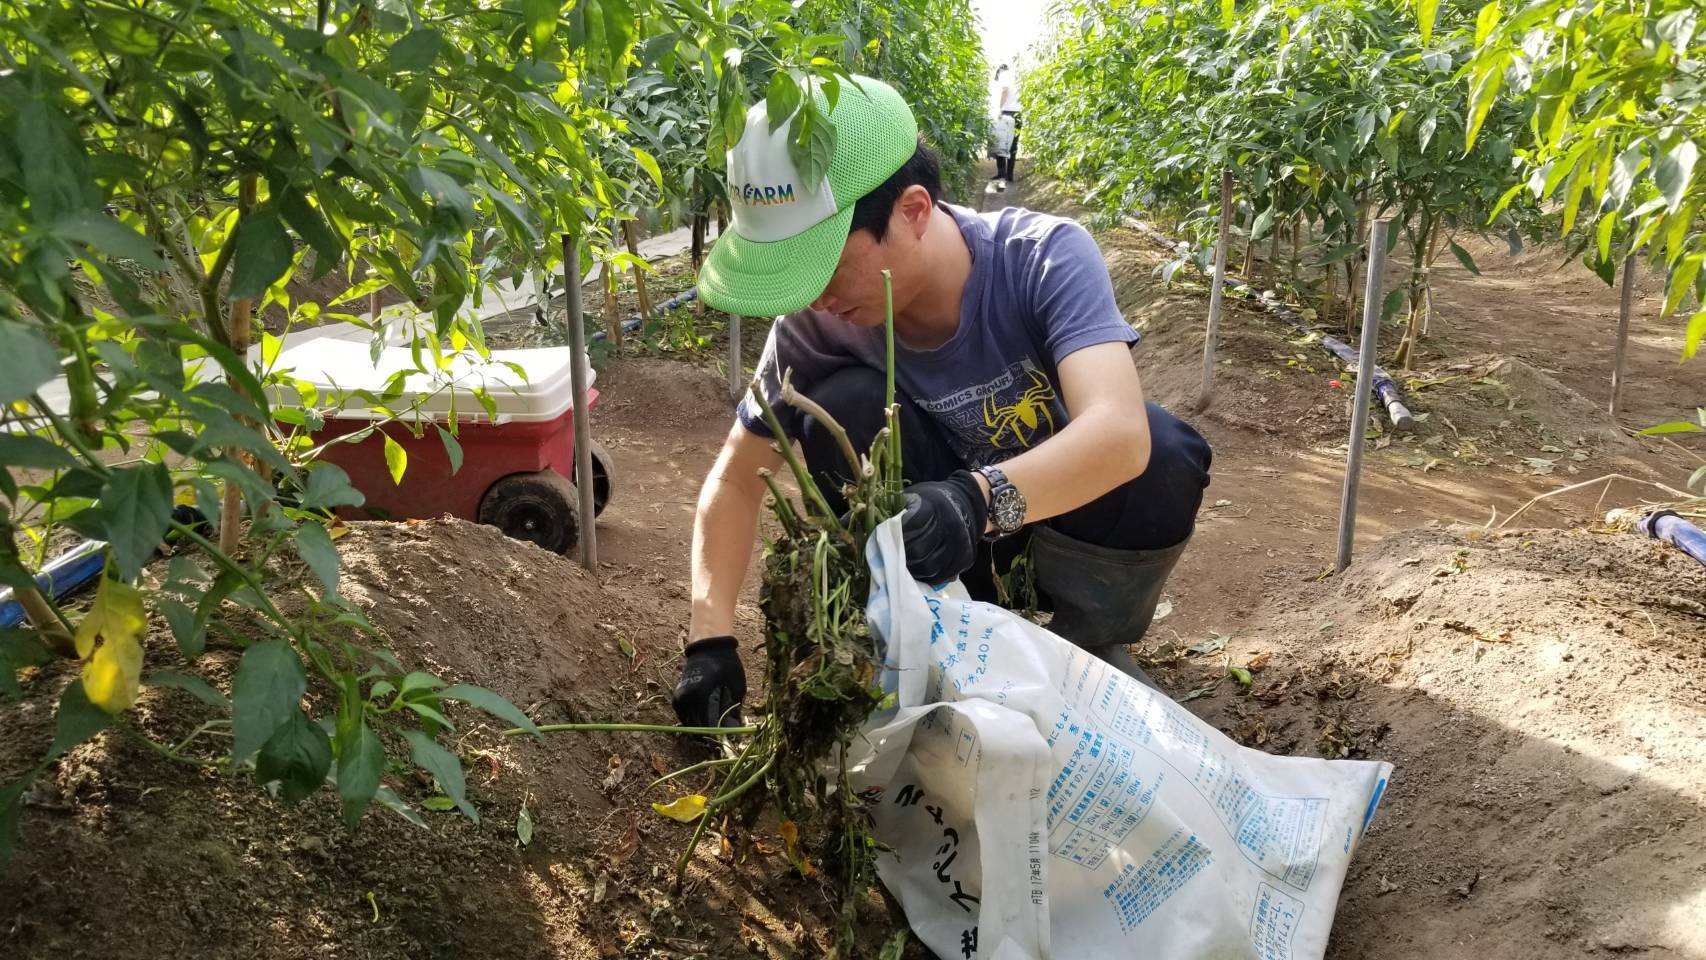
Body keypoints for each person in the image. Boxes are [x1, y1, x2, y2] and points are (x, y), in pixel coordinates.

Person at [671, 76, 1212, 729]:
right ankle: (939, 646)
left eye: (826, 264)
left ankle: (1082, 644)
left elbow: (1120, 433)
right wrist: (709, 641)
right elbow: (734, 481)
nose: (814, 296)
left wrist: (975, 501)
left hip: (1054, 537)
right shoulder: (817, 326)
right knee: (841, 403)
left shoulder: (1040, 258)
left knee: (1164, 452)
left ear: (914, 211)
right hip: (943, 565)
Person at [990, 64, 1022, 189]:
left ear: (1000, 71)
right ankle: (1009, 175)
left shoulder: (1005, 76)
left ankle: (1001, 173)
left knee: (1001, 143)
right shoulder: (1017, 78)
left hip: (1007, 112)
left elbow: (1004, 91)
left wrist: (1000, 109)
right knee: (1013, 144)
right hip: (1018, 114)